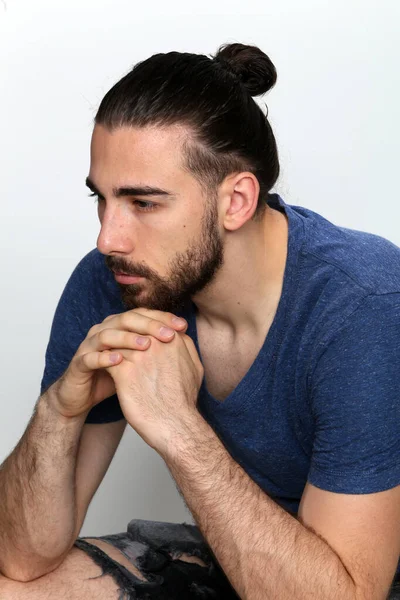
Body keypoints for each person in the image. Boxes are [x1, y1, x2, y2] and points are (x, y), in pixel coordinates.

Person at [0, 42, 399, 600]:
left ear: (236, 201)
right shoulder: (118, 278)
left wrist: (182, 433)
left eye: (143, 203)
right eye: (103, 199)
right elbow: (20, 557)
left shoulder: (365, 304)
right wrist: (57, 411)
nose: (108, 239)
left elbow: (346, 593)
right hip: (238, 550)